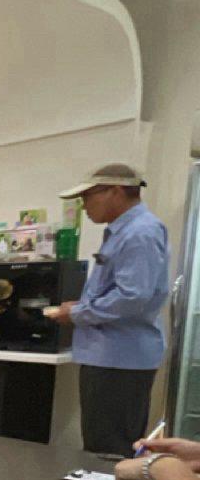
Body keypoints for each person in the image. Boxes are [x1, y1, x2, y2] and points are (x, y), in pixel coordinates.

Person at [44, 164, 170, 457]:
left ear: (115, 191)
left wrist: (77, 314)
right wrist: (81, 307)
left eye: (88, 196)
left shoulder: (139, 232)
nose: (84, 205)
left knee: (109, 451)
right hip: (111, 356)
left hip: (119, 360)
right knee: (102, 445)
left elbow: (132, 296)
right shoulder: (124, 231)